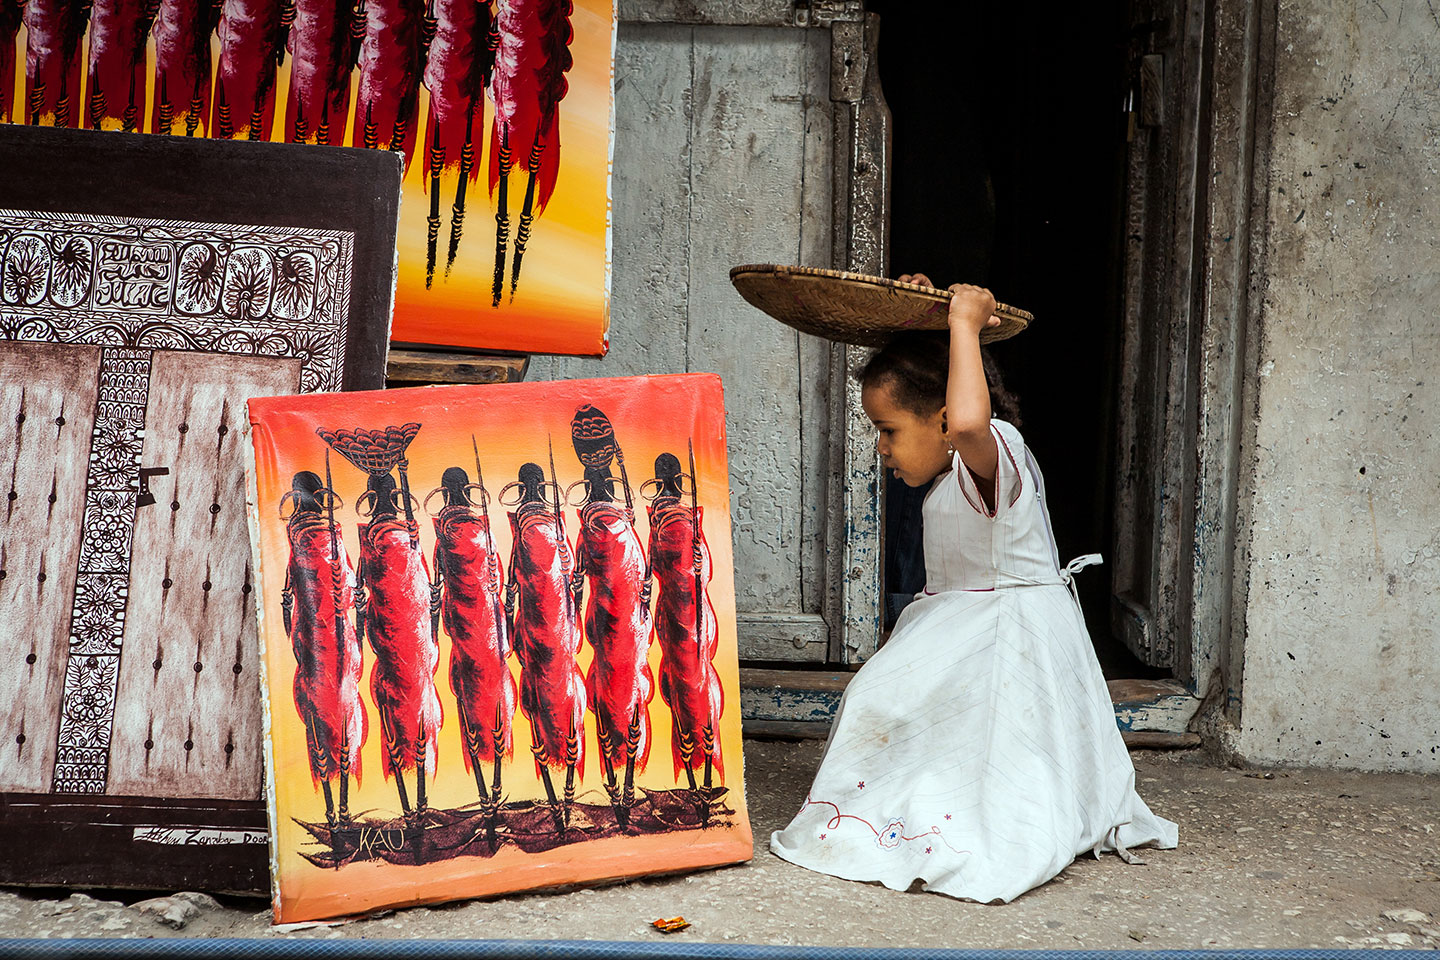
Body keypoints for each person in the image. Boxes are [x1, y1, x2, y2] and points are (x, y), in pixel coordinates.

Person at [770, 278, 1177, 903]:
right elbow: (952, 407)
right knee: (879, 701)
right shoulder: (947, 473)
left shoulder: (991, 454)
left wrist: (964, 324)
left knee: (981, 750)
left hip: (1004, 641)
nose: (879, 449)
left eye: (887, 430)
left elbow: (966, 420)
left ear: (940, 420)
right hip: (962, 628)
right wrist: (932, 319)